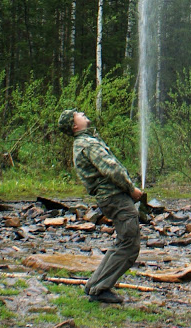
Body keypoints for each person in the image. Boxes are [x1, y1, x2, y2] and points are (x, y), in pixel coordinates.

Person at [58, 109, 143, 304]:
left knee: (124, 242)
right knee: (130, 245)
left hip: (110, 198)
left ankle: (94, 285)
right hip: (116, 197)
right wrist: (131, 189)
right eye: (77, 113)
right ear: (74, 126)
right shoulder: (86, 143)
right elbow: (111, 168)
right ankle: (99, 289)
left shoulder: (84, 142)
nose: (82, 112)